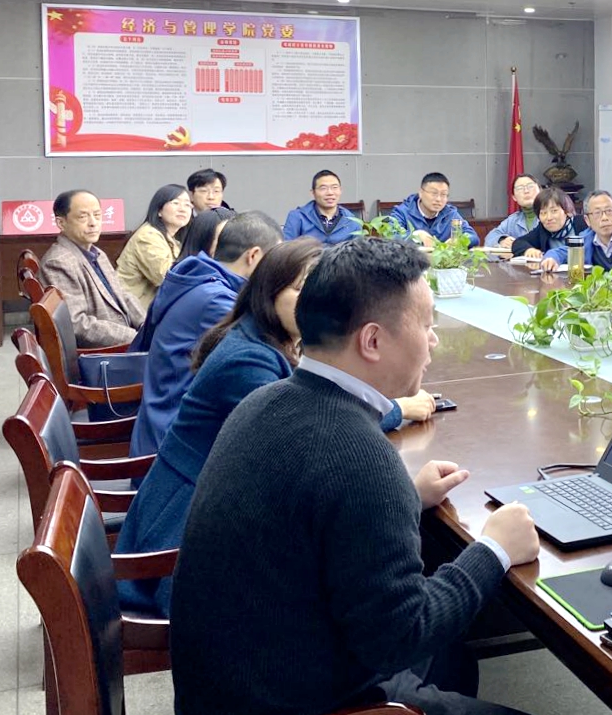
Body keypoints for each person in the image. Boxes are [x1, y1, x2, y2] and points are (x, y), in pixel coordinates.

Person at [170, 237, 538, 715]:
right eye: (427, 325)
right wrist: (494, 549)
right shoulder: (360, 455)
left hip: (232, 681)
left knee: (453, 659)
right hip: (292, 699)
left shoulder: (266, 401)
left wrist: (407, 497)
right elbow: (401, 637)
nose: (433, 340)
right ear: (372, 340)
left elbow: (319, 514)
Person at [117, 239, 438, 617]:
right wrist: (397, 418)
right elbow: (311, 429)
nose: (315, 301)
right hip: (179, 544)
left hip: (205, 516)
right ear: (268, 291)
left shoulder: (262, 339)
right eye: (302, 289)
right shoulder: (247, 360)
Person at [126, 211, 284, 458]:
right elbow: (268, 357)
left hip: (163, 426)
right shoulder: (216, 301)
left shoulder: (198, 278)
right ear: (253, 256)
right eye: (274, 261)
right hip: (174, 444)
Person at [38, 189, 145, 347]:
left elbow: (123, 295)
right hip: (108, 350)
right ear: (61, 223)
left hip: (128, 338)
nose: (93, 223)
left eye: (97, 215)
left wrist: (147, 327)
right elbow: (77, 325)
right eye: (83, 217)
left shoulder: (97, 253)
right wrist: (137, 338)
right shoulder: (58, 263)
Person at [117, 184, 193, 309]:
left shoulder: (172, 239)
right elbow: (168, 277)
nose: (183, 209)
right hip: (134, 312)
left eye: (187, 204)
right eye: (175, 203)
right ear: (159, 210)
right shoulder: (147, 236)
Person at [389, 172, 479, 248]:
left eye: (443, 194)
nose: (438, 199)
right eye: (434, 193)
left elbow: (473, 237)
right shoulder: (403, 212)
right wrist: (416, 236)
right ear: (421, 193)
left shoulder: (450, 214)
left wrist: (459, 241)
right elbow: (390, 236)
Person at [282, 169, 362, 245]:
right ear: (313, 192)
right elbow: (286, 249)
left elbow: (359, 251)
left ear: (340, 190)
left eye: (334, 187)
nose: (330, 193)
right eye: (323, 188)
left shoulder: (352, 221)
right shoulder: (297, 217)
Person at [511, 186, 588, 262]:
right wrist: (529, 250)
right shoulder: (542, 230)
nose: (549, 217)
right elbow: (518, 242)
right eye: (543, 213)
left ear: (567, 211)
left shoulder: (583, 223)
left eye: (554, 211)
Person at [484, 174, 540, 248]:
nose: (526, 191)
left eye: (530, 186)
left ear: (540, 190)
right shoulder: (513, 220)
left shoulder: (549, 216)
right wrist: (502, 240)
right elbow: (489, 239)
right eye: (520, 188)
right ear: (514, 197)